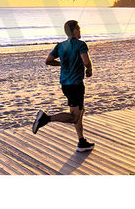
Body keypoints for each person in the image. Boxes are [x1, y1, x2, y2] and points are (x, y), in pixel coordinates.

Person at [32, 20, 95, 152]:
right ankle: (45, 119)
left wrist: (62, 64)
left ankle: (81, 141)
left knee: (80, 111)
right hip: (75, 85)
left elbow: (48, 61)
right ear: (75, 31)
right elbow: (86, 61)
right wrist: (89, 69)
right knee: (74, 117)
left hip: (65, 84)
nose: (80, 30)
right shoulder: (80, 45)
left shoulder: (60, 46)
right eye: (79, 28)